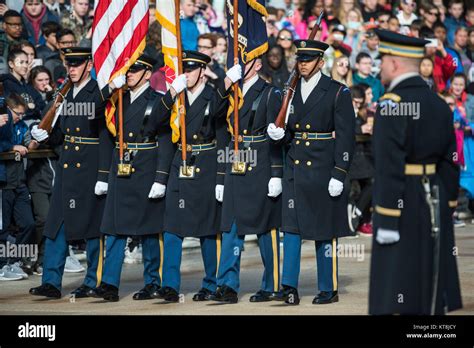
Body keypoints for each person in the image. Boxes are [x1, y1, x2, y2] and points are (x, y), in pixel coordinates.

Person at [368, 29, 462, 315]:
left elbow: (388, 167)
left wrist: (385, 218)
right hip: (435, 197)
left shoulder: (390, 105)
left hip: (402, 202)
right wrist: (447, 207)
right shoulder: (438, 104)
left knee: (396, 288)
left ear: (395, 63)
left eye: (383, 59)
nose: (379, 65)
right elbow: (450, 162)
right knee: (429, 288)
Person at [267, 38, 355, 305]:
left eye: (308, 60)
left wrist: (339, 172)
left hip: (322, 167)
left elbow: (346, 137)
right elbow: (290, 131)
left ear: (321, 62)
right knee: (291, 230)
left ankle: (328, 287)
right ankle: (289, 286)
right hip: (295, 166)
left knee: (323, 230)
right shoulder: (289, 91)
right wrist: (278, 134)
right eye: (299, 59)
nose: (302, 64)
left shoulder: (337, 92)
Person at [86, 54, 174, 302]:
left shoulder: (158, 101)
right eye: (128, 70)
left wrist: (161, 178)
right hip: (120, 167)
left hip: (146, 166)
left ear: (147, 73)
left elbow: (166, 141)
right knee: (113, 227)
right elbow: (91, 110)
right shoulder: (116, 101)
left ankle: (153, 282)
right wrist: (110, 87)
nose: (129, 74)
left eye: (134, 70)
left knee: (149, 229)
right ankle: (110, 283)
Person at [28, 47, 113, 299]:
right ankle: (51, 282)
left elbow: (105, 137)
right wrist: (46, 136)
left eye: (77, 64)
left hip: (89, 169)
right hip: (67, 168)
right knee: (55, 225)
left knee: (92, 228)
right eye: (69, 64)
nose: (72, 69)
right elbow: (63, 134)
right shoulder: (64, 93)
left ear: (88, 65)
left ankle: (93, 280)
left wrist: (102, 174)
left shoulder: (96, 92)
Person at [156, 51, 232, 303]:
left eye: (190, 70)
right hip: (181, 162)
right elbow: (156, 121)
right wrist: (170, 94)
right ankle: (169, 284)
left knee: (207, 229)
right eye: (183, 70)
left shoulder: (213, 96)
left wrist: (221, 177)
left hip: (207, 164)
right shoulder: (175, 97)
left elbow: (223, 137)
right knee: (172, 226)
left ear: (202, 71)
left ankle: (211, 283)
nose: (185, 74)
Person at [210, 54, 284, 304]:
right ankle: (227, 285)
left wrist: (276, 174)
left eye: (247, 63)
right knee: (230, 224)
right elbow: (216, 116)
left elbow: (276, 138)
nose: (240, 68)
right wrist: (224, 83)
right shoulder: (231, 90)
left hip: (260, 159)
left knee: (265, 226)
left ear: (259, 64)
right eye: (237, 64)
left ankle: (272, 284)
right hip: (234, 159)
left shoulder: (270, 92)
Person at [0, 94, 36, 279]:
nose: (20, 117)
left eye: (23, 114)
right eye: (17, 114)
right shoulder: (2, 123)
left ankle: (14, 261)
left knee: (28, 223)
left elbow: (28, 142)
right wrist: (11, 146)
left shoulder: (21, 125)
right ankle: (2, 265)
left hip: (19, 183)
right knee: (3, 227)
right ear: (7, 108)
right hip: (3, 182)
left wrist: (34, 142)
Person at [347, 85, 373, 236]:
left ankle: (357, 212)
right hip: (350, 158)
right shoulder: (342, 111)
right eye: (355, 102)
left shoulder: (365, 113)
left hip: (364, 156)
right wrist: (359, 130)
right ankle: (354, 216)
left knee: (372, 183)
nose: (357, 105)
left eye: (360, 102)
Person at [2, 48, 45, 122]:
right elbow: (15, 108)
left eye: (26, 62)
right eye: (21, 62)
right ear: (11, 64)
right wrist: (31, 107)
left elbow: (41, 103)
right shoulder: (7, 84)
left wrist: (33, 107)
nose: (25, 66)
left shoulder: (26, 83)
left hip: (34, 121)